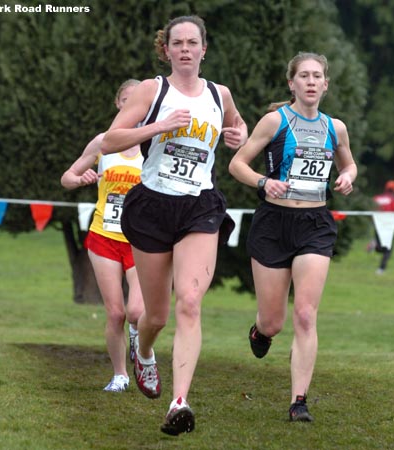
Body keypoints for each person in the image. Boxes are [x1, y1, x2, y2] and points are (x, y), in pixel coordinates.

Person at [102, 15, 247, 435]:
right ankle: (144, 351)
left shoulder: (220, 94)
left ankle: (179, 402)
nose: (185, 49)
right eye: (177, 43)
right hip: (151, 206)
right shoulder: (153, 90)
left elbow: (238, 128)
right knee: (156, 315)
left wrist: (239, 135)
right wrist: (159, 125)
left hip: (199, 206)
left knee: (189, 301)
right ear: (166, 50)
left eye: (192, 42)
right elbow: (110, 139)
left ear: (205, 49)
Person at [228, 52, 357, 422]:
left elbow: (348, 161)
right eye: (304, 76)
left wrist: (348, 175)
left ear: (326, 84)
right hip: (273, 224)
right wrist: (265, 182)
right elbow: (237, 164)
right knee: (274, 321)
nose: (311, 82)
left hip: (315, 224)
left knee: (304, 314)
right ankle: (261, 331)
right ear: (292, 83)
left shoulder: (337, 127)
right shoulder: (275, 121)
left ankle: (299, 401)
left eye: (318, 76)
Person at [60, 79, 145, 392]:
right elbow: (67, 178)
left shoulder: (153, 145)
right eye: (127, 99)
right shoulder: (103, 142)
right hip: (104, 236)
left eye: (140, 100)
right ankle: (120, 374)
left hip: (141, 241)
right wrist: (80, 178)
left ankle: (141, 346)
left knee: (137, 311)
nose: (133, 105)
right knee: (116, 312)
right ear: (119, 104)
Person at [369, 180, 394, 275]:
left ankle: (375, 245)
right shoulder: (393, 200)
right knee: (388, 249)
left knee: (380, 246)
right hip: (389, 226)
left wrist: (372, 221)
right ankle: (381, 269)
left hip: (378, 225)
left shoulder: (377, 198)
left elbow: (370, 210)